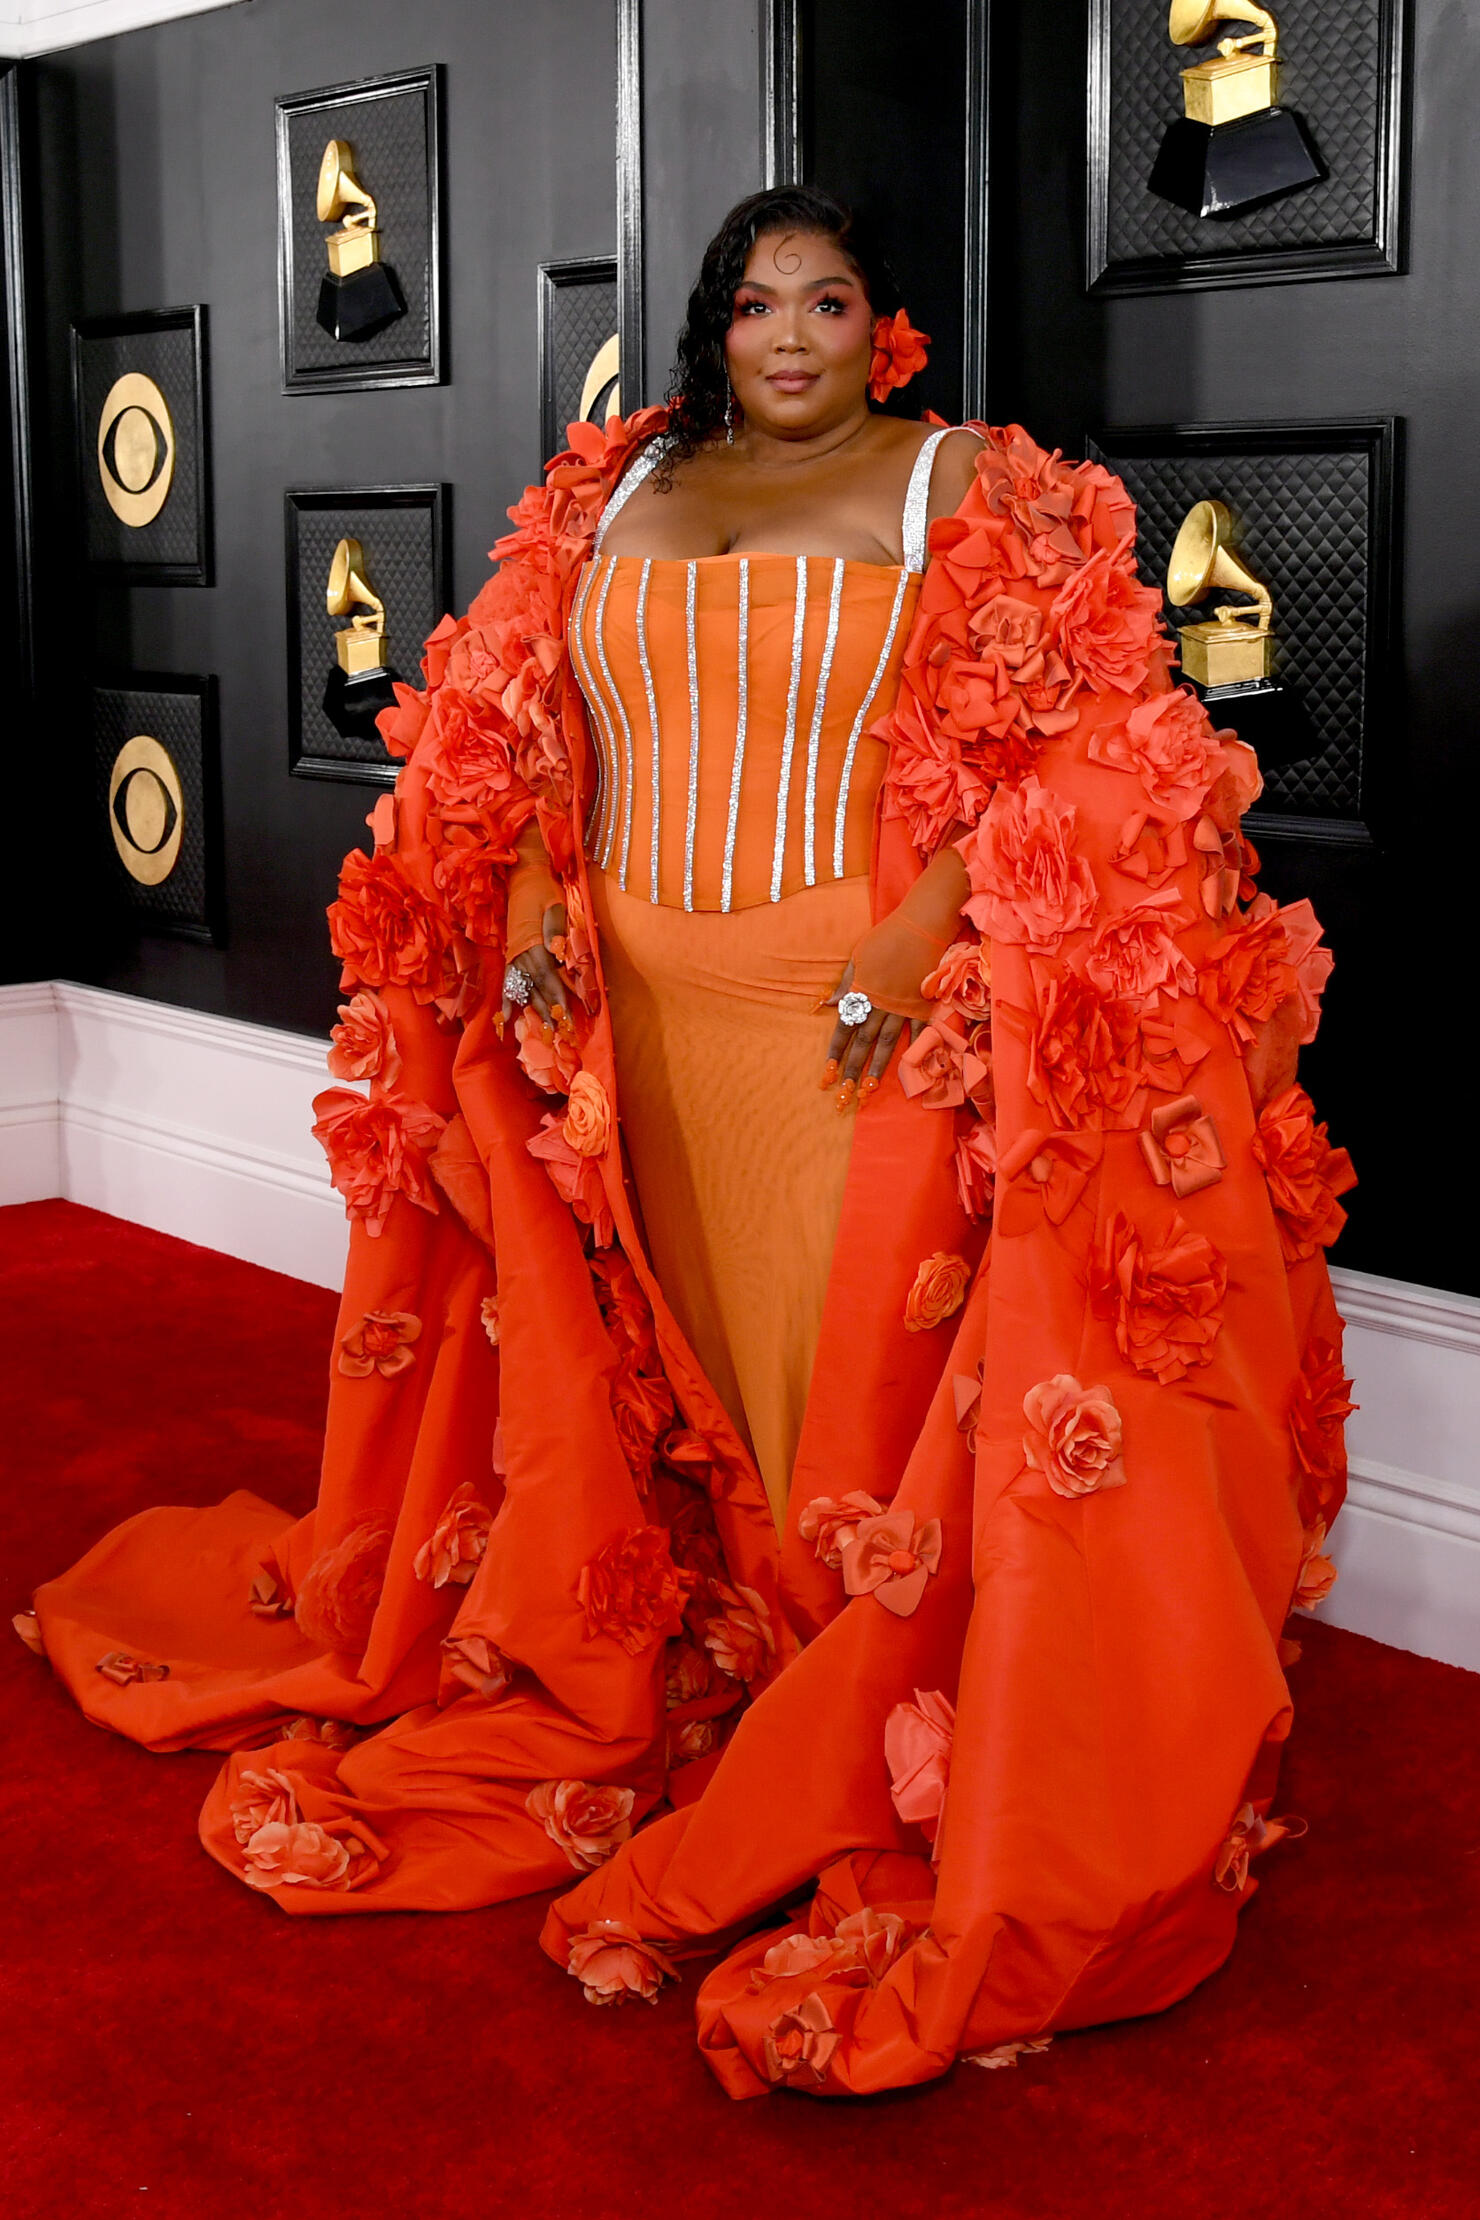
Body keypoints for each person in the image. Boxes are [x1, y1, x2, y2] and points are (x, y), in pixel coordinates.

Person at [20, 186, 1355, 2098]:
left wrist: (918, 937)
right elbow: (538, 724)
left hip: (859, 1022)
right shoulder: (618, 491)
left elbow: (1091, 738)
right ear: (712, 332)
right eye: (753, 306)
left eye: (827, 301)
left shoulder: (969, 484)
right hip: (639, 1029)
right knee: (704, 1358)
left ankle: (866, 1695)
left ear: (884, 325)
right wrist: (551, 894)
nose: (789, 336)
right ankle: (766, 1644)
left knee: (856, 1383)